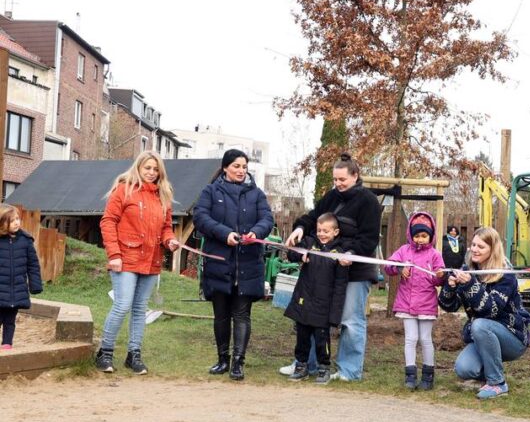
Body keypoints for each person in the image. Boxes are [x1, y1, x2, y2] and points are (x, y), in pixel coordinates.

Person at [283, 153, 381, 381]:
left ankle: (349, 370)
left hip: (355, 272)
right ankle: (306, 363)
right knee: (311, 316)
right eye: (335, 180)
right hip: (324, 272)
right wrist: (299, 228)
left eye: (342, 179)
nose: (338, 184)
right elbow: (314, 218)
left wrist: (352, 254)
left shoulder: (368, 201)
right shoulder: (331, 197)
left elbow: (369, 239)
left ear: (355, 176)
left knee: (350, 320)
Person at [193, 149, 274, 381]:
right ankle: (222, 359)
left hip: (248, 263)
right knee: (221, 315)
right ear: (226, 167)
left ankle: (238, 363)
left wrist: (255, 233)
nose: (241, 170)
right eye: (237, 166)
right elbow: (201, 217)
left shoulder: (256, 194)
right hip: (219, 262)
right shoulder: (210, 191)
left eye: (244, 167)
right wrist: (224, 233)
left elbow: (267, 219)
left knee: (242, 314)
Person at [97, 151, 179, 374]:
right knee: (122, 305)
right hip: (125, 257)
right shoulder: (124, 189)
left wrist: (169, 240)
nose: (151, 173)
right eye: (148, 168)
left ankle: (134, 355)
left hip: (151, 259)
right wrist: (113, 254)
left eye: (155, 169)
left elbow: (166, 227)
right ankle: (105, 352)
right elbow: (108, 221)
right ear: (138, 168)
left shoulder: (163, 196)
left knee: (140, 308)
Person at [439, 227, 530, 400]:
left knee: (479, 324)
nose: (474, 249)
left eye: (480, 247)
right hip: (484, 334)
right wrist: (449, 287)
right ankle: (489, 373)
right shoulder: (468, 270)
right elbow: (448, 307)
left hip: (513, 336)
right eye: (473, 244)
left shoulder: (506, 275)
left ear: (492, 250)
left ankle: (497, 383)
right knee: (463, 368)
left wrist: (469, 285)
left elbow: (491, 310)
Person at [283, 213, 348, 385]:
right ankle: (301, 367)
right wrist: (300, 255)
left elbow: (340, 287)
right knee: (302, 339)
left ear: (336, 232)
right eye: (319, 230)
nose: (321, 234)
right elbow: (290, 254)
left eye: (326, 231)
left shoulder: (339, 254)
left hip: (323, 307)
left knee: (321, 341)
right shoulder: (309, 243)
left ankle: (324, 368)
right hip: (304, 302)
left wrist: (335, 315)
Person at [385, 211, 445, 390]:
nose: (420, 239)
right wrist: (398, 268)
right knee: (410, 339)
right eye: (417, 235)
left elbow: (438, 278)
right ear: (411, 236)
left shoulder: (435, 254)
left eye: (424, 236)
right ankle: (410, 375)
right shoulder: (404, 251)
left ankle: (428, 376)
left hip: (426, 304)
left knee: (426, 339)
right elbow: (388, 265)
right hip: (406, 303)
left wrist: (440, 276)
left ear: (430, 236)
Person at [0, 204, 43, 350]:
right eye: (12, 221)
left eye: (18, 219)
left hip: (16, 290)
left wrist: (35, 285)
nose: (17, 222)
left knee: (10, 320)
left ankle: (7, 344)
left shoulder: (25, 240)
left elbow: (33, 265)